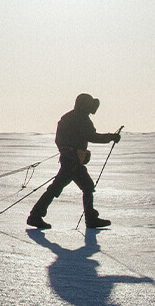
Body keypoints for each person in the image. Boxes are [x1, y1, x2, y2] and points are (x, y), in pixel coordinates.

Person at [28, 93, 121, 230]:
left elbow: (58, 140)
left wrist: (65, 151)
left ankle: (35, 215)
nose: (92, 110)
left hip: (68, 160)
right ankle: (90, 219)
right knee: (86, 186)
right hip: (73, 162)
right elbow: (91, 136)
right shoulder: (82, 119)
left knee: (59, 187)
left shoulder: (67, 117)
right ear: (85, 105)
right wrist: (111, 137)